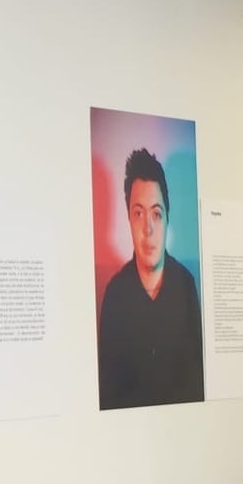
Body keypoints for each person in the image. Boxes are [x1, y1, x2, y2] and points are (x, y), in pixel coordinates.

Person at [97, 147, 203, 409]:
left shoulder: (186, 285)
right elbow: (107, 394)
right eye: (138, 214)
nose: (148, 228)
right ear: (128, 219)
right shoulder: (115, 295)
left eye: (156, 213)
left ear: (168, 218)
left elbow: (198, 381)